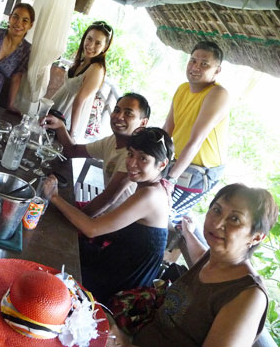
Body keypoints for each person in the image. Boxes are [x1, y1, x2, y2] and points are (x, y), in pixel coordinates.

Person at [113, 183, 278, 347]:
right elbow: (199, 253)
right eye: (217, 210)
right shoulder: (212, 258)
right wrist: (188, 232)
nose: (218, 223)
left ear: (256, 237)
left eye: (235, 219)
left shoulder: (247, 297)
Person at [44, 127, 174, 305]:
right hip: (116, 260)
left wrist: (55, 197)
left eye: (143, 158)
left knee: (52, 258)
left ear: (162, 164)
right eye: (130, 154)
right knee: (59, 238)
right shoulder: (155, 184)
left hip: (119, 282)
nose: (132, 163)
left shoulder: (150, 195)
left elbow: (92, 229)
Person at [44, 92, 150, 216]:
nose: (119, 116)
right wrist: (60, 126)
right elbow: (72, 151)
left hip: (113, 223)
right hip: (102, 211)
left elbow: (108, 199)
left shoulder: (135, 156)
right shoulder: (112, 140)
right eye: (117, 110)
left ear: (143, 123)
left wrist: (75, 221)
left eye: (128, 113)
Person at [163, 41, 229, 228]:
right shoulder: (183, 88)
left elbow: (196, 140)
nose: (196, 67)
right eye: (193, 61)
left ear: (217, 71)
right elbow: (168, 128)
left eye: (204, 64)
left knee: (164, 212)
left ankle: (168, 247)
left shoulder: (217, 94)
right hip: (179, 161)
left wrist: (169, 179)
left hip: (201, 172)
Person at [51, 21, 113, 142]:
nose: (90, 45)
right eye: (89, 39)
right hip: (57, 109)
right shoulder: (82, 61)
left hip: (68, 118)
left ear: (105, 47)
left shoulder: (96, 69)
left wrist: (71, 133)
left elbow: (79, 101)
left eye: (98, 43)